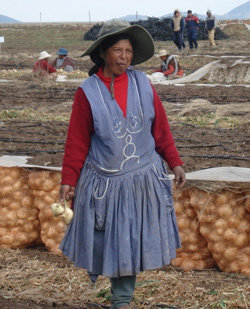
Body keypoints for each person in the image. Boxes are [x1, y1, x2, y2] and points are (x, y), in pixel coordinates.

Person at [59, 19, 186, 309]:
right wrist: (69, 180)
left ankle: (123, 300)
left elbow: (160, 128)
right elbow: (77, 141)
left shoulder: (143, 83)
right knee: (113, 240)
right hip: (106, 182)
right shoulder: (87, 92)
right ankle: (122, 300)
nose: (124, 57)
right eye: (117, 50)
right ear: (103, 53)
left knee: (131, 238)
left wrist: (174, 162)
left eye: (128, 51)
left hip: (143, 177)